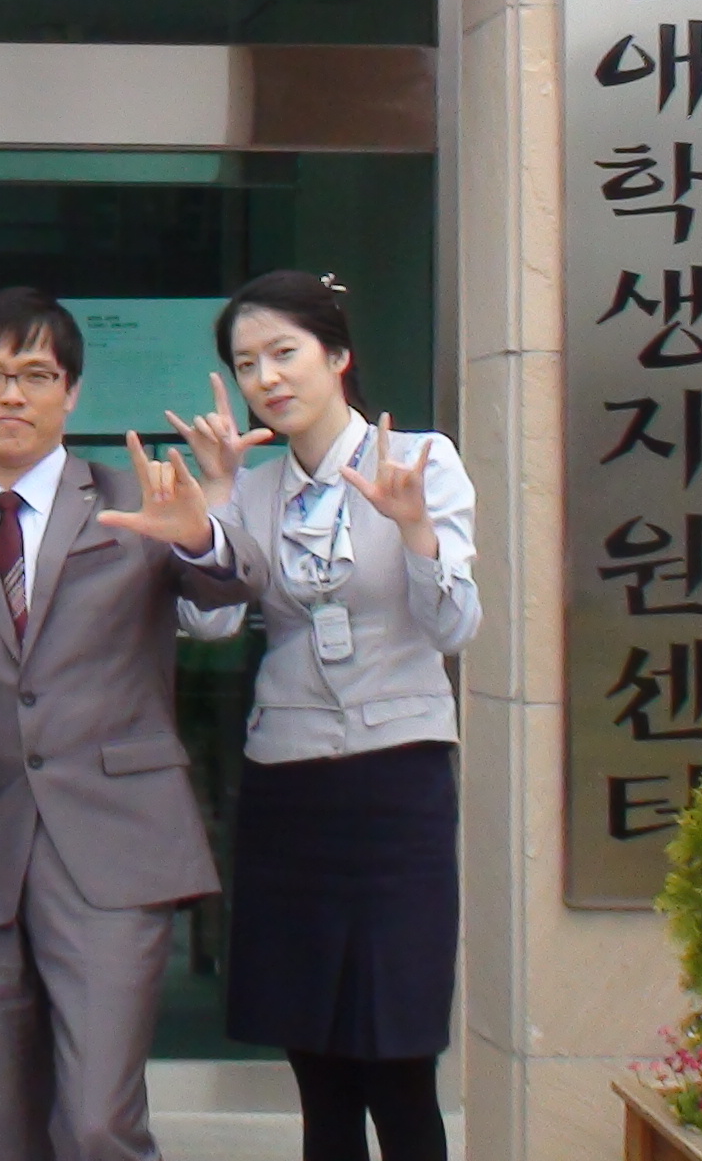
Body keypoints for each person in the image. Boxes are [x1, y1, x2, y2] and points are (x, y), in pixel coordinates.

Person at [0, 287, 245, 1161]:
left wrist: (200, 537)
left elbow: (228, 592)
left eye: (35, 375)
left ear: (71, 393)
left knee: (97, 1122)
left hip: (115, 843)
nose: (11, 395)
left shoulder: (133, 500)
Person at [177, 271, 478, 1161]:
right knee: (317, 1069)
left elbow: (456, 627)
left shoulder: (420, 460)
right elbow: (209, 624)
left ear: (337, 355)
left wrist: (416, 532)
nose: (267, 378)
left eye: (284, 353)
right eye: (247, 364)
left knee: (399, 1060)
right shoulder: (254, 488)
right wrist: (216, 497)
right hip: (290, 784)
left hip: (398, 783)